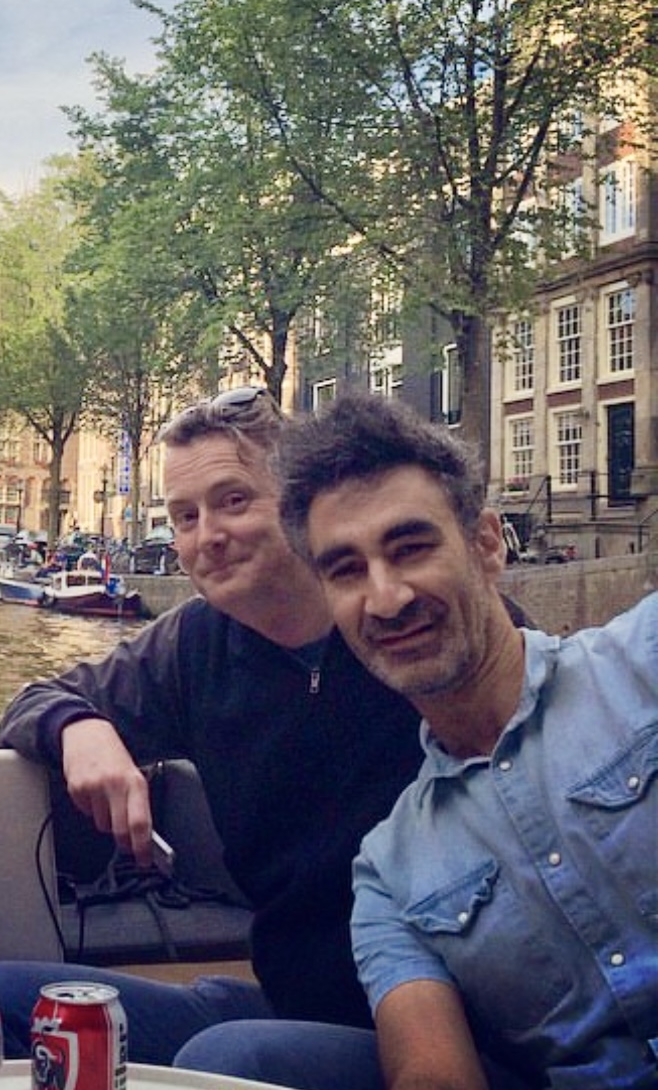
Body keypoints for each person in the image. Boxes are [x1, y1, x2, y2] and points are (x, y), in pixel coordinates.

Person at [0, 386, 432, 1087]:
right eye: (184, 516)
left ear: (300, 501)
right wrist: (80, 727)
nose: (205, 535)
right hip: (289, 1003)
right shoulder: (192, 646)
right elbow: (41, 696)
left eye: (234, 501)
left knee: (224, 1060)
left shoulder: (405, 624)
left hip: (421, 1022)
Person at [275, 392, 656, 1090]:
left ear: (486, 545)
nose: (386, 598)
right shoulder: (389, 874)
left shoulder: (646, 660)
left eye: (411, 548)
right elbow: (432, 1070)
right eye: (348, 571)